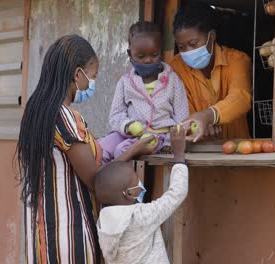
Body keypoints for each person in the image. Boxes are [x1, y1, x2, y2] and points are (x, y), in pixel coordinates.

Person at [16, 35, 157, 264]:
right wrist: (135, 149)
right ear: (77, 74)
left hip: (43, 233)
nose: (92, 82)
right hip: (71, 236)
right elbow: (97, 181)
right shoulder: (66, 117)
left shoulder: (36, 113)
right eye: (93, 76)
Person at [95, 125, 188, 264]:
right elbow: (175, 195)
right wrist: (179, 157)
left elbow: (110, 174)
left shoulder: (102, 221)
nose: (139, 180)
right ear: (129, 193)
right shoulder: (140, 217)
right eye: (136, 179)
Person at [99, 21, 189, 164]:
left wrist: (171, 141)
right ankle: (99, 183)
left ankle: (127, 186)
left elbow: (182, 116)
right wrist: (128, 126)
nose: (148, 60)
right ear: (130, 54)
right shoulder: (125, 82)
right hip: (128, 134)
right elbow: (116, 114)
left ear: (161, 51)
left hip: (158, 136)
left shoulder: (172, 80)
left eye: (154, 55)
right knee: (100, 150)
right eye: (140, 56)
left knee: (121, 151)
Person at [170, 3, 252, 142]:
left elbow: (240, 98)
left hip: (238, 150)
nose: (188, 51)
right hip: (196, 152)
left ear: (212, 36)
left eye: (193, 43)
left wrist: (208, 116)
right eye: (181, 47)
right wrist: (196, 122)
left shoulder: (237, 60)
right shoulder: (175, 67)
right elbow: (180, 111)